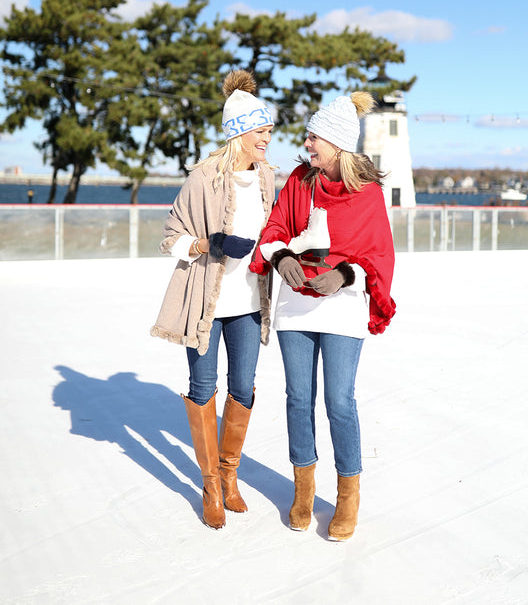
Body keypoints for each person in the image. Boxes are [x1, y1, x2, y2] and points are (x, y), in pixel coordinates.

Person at [250, 91, 396, 541]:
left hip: (343, 310)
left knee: (338, 401)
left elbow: (378, 254)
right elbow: (274, 229)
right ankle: (304, 491)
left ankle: (348, 495)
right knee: (298, 398)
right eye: (309, 136)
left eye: (314, 137)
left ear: (336, 143)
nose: (307, 143)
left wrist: (344, 276)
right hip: (297, 304)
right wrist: (279, 258)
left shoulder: (367, 194)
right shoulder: (299, 181)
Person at [150, 70, 275, 530]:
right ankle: (209, 484)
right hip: (206, 304)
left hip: (247, 304)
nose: (267, 139)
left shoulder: (267, 178)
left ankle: (229, 474)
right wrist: (209, 243)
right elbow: (171, 237)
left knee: (243, 388)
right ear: (239, 133)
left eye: (269, 132)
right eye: (261, 132)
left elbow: (273, 231)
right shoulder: (203, 178)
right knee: (204, 388)